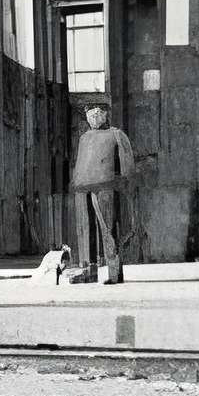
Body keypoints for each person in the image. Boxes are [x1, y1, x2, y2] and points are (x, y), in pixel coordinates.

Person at [67, 100, 135, 285]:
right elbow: (79, 163)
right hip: (83, 188)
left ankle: (114, 271)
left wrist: (125, 185)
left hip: (107, 186)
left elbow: (127, 165)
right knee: (85, 230)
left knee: (108, 229)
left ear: (106, 114)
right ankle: (89, 270)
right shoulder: (84, 138)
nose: (94, 117)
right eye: (90, 114)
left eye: (98, 113)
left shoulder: (116, 134)